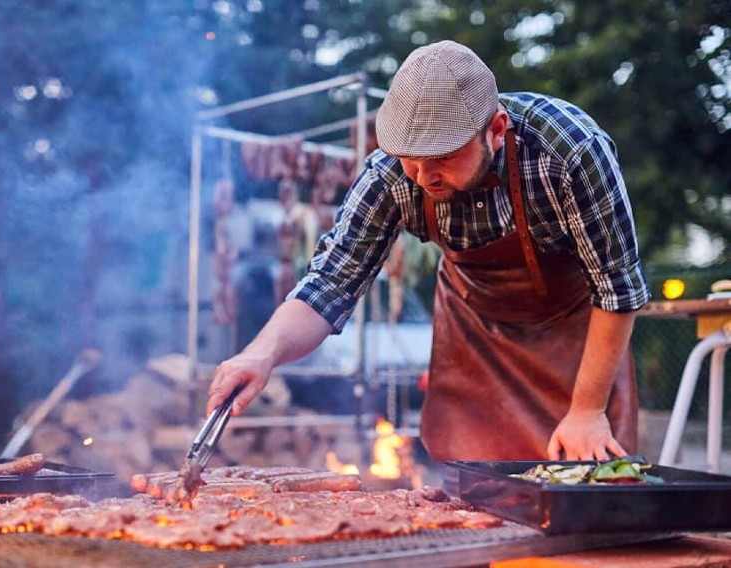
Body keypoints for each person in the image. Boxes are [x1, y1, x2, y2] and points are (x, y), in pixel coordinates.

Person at [207, 40, 650, 462]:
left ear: (495, 130)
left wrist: (588, 411)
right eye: (411, 161)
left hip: (577, 341)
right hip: (476, 341)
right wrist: (260, 354)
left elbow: (616, 288)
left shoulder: (569, 151)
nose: (423, 178)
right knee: (473, 504)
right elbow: (329, 285)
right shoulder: (390, 175)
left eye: (442, 158)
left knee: (589, 495)